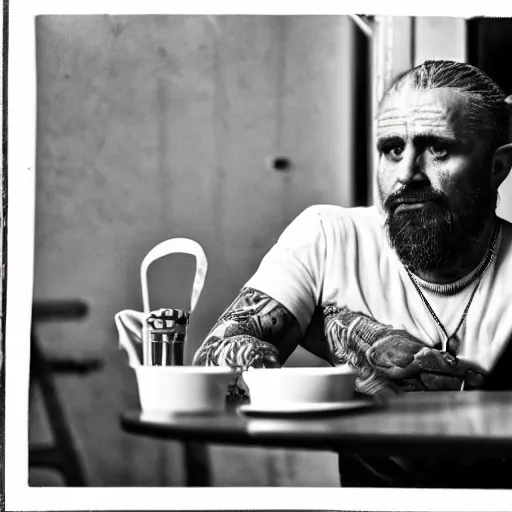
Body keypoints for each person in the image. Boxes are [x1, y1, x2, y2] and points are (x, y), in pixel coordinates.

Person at [192, 60, 512, 488]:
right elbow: (213, 363)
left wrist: (325, 327)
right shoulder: (329, 237)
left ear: (498, 168)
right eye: (393, 149)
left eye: (437, 149)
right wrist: (351, 353)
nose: (406, 175)